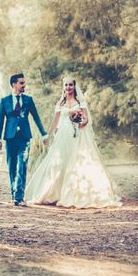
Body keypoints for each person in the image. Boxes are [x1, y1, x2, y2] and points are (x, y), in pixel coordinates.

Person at [25, 77, 122, 208]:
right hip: (63, 135)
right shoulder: (60, 102)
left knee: (78, 162)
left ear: (74, 86)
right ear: (63, 87)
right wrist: (48, 134)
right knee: (61, 162)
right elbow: (55, 120)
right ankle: (56, 193)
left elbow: (86, 118)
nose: (68, 87)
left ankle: (76, 193)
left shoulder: (80, 101)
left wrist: (81, 122)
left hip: (78, 135)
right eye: (66, 85)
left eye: (70, 85)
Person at [0, 73, 48, 206]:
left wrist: (44, 134)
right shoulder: (5, 101)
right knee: (12, 166)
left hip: (24, 137)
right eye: (21, 83)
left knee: (22, 165)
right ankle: (14, 194)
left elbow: (36, 117)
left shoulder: (28, 100)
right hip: (10, 137)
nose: (24, 85)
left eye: (24, 83)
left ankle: (19, 196)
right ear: (14, 84)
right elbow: (0, 120)